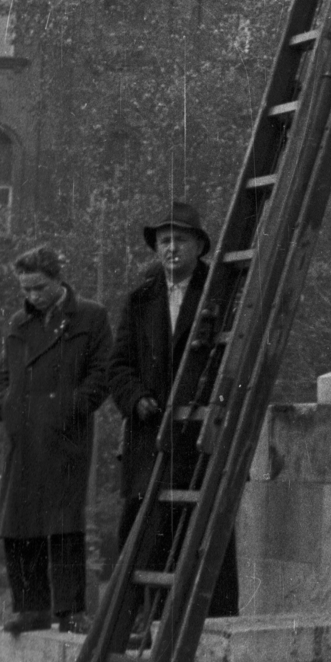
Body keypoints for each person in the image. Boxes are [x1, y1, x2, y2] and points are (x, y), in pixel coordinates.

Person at [108, 201, 239, 620]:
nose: (170, 249)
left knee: (204, 525)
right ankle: (140, 619)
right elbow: (118, 366)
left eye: (180, 240)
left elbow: (233, 358)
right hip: (150, 435)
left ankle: (211, 620)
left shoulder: (220, 292)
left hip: (199, 433)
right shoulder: (140, 299)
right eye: (163, 241)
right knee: (144, 529)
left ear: (199, 246)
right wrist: (136, 399)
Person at [0, 243, 112, 635]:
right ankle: (31, 609)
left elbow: (102, 373)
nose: (33, 296)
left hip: (65, 435)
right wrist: (4, 408)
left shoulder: (90, 316)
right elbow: (3, 375)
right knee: (18, 522)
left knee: (64, 523)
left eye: (39, 287)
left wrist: (71, 408)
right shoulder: (18, 323)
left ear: (58, 279)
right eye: (25, 289)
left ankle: (71, 611)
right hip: (23, 435)